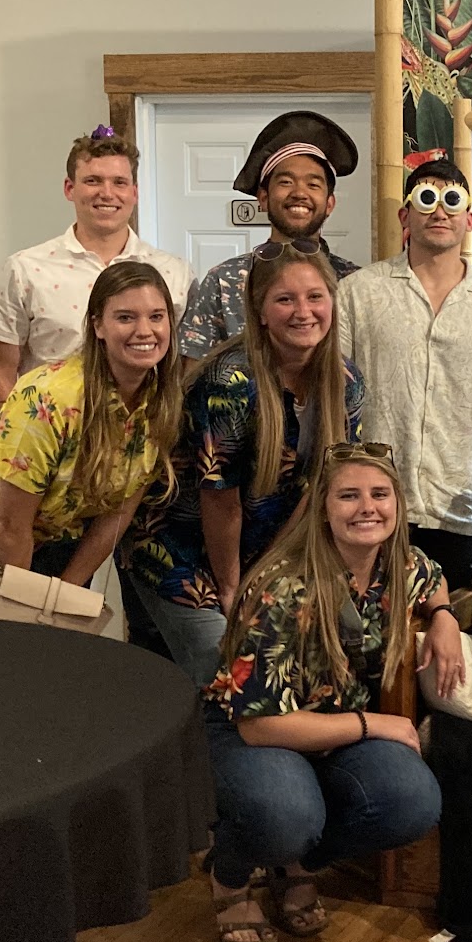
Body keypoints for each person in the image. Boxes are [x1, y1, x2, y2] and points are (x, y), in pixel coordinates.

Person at [204, 446, 457, 942]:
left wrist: (445, 617)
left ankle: (297, 863)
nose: (367, 508)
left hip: (333, 726)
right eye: (348, 496)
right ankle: (230, 872)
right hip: (258, 733)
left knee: (413, 801)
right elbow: (259, 724)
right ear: (322, 507)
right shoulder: (283, 587)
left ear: (398, 504)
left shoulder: (398, 563)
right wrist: (373, 724)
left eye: (379, 494)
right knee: (286, 815)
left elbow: (433, 579)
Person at [0, 262, 181, 615]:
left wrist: (63, 600)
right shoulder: (51, 397)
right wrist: (25, 613)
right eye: (125, 318)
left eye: (156, 317)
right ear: (98, 326)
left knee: (53, 637)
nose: (144, 331)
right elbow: (11, 524)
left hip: (40, 539)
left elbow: (117, 515)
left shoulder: (162, 403)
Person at [127, 243, 363, 684]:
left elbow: (321, 484)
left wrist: (273, 576)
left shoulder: (346, 381)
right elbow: (221, 502)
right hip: (183, 551)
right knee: (231, 667)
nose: (303, 312)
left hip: (265, 550)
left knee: (343, 638)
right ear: (260, 312)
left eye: (315, 297)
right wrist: (234, 592)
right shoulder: (229, 383)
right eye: (285, 299)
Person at [338, 160, 472, 591]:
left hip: (466, 512)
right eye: (426, 199)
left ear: (469, 220)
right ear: (405, 215)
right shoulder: (358, 293)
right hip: (373, 508)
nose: (439, 212)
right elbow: (333, 397)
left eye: (452, 201)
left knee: (458, 626)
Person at [0, 128, 193, 410]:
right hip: (51, 430)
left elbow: (184, 371)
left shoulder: (175, 274)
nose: (107, 193)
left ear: (134, 192)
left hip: (145, 430)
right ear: (69, 188)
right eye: (93, 181)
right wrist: (12, 432)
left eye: (119, 182)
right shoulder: (25, 271)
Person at [177, 111, 361, 361]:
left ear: (330, 203)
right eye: (286, 182)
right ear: (263, 198)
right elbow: (193, 372)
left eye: (313, 184)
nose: (299, 193)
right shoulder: (224, 281)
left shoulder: (355, 283)